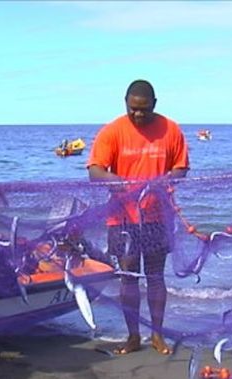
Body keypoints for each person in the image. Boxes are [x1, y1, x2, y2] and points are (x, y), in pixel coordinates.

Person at [87, 79, 189, 355]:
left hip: (157, 216)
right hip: (122, 218)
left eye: (144, 109)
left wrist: (164, 180)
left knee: (155, 275)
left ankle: (157, 336)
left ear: (155, 104)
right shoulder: (112, 131)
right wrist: (117, 181)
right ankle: (133, 336)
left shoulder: (171, 129)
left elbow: (181, 168)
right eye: (133, 109)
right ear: (125, 103)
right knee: (128, 275)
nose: (138, 114)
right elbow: (94, 170)